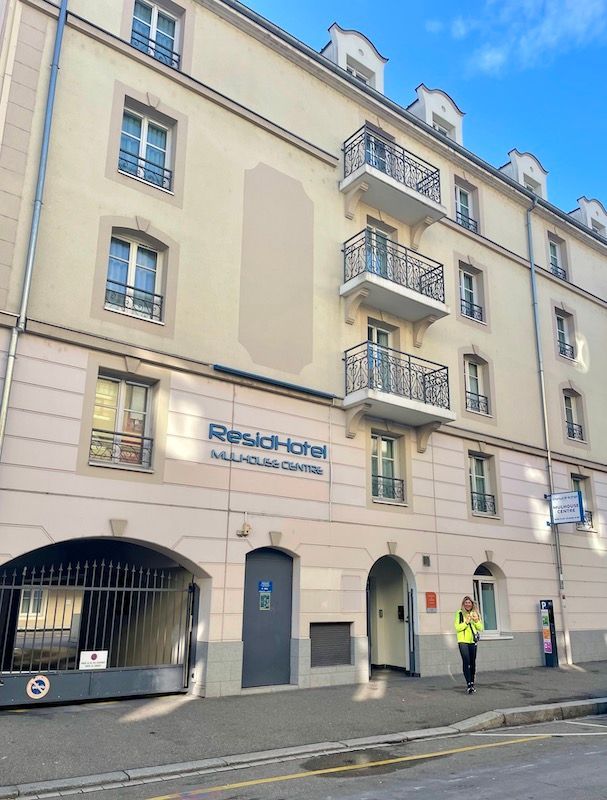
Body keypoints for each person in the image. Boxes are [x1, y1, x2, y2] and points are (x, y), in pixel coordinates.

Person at [455, 595, 483, 694]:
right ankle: (468, 684)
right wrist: (466, 622)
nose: (468, 604)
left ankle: (472, 683)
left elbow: (481, 628)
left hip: (472, 641)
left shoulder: (475, 613)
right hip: (463, 641)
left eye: (469, 603)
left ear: (472, 604)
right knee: (466, 662)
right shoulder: (459, 613)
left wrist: (476, 620)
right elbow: (457, 628)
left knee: (472, 663)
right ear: (463, 604)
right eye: (466, 603)